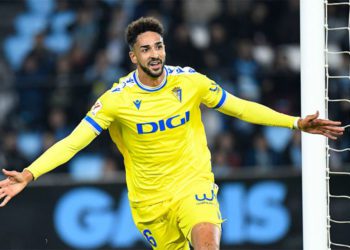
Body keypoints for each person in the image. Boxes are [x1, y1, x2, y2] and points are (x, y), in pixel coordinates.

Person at [0, 17, 344, 250]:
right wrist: (30, 174)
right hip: (149, 203)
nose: (155, 54)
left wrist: (294, 123)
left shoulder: (190, 82)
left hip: (193, 185)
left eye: (159, 46)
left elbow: (239, 107)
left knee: (207, 235)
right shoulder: (116, 101)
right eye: (146, 49)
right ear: (133, 56)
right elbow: (74, 141)